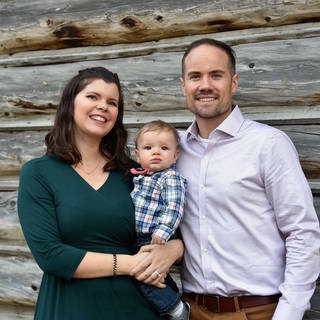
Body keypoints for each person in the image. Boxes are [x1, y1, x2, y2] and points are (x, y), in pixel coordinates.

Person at [17, 67, 183, 320]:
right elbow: (51, 256)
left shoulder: (136, 174)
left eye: (112, 102)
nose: (103, 106)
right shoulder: (38, 173)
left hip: (135, 310)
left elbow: (176, 232)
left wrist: (173, 250)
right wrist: (131, 264)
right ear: (70, 103)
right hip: (69, 308)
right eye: (93, 97)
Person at [176, 38, 320, 320]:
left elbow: (302, 232)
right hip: (193, 311)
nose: (205, 85)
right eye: (195, 76)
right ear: (183, 85)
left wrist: (287, 315)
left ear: (234, 82)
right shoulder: (174, 151)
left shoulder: (268, 144)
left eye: (216, 75)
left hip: (257, 311)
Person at [130, 120, 189, 319]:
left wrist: (162, 232)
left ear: (175, 155)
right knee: (156, 274)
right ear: (138, 155)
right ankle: (172, 299)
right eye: (148, 148)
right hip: (138, 236)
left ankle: (175, 309)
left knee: (142, 276)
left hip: (153, 236)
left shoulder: (170, 178)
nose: (156, 152)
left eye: (164, 148)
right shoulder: (141, 178)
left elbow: (174, 207)